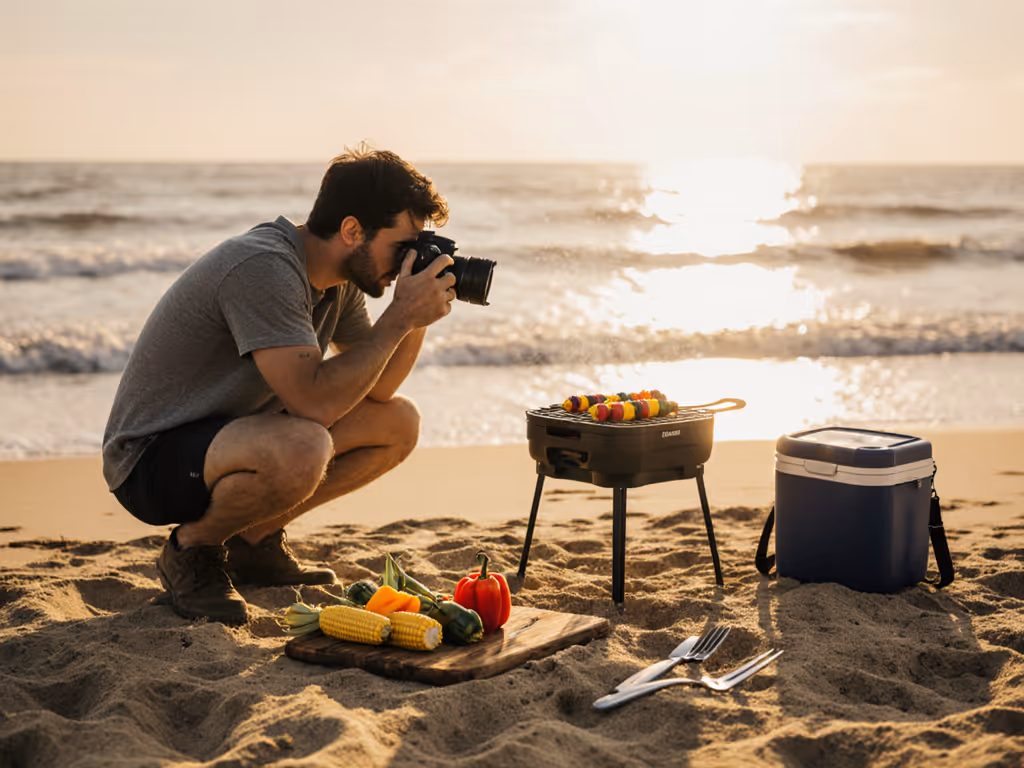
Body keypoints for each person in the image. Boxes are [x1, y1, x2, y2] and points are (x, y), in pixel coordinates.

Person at [102, 147, 454, 623]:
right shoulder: (264, 267)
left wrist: (417, 316)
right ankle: (192, 550)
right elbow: (314, 404)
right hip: (151, 458)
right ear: (352, 230)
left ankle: (253, 541)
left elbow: (378, 390)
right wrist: (397, 318)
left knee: (397, 422)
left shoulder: (342, 278)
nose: (410, 257)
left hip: (234, 437)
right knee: (306, 443)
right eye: (403, 245)